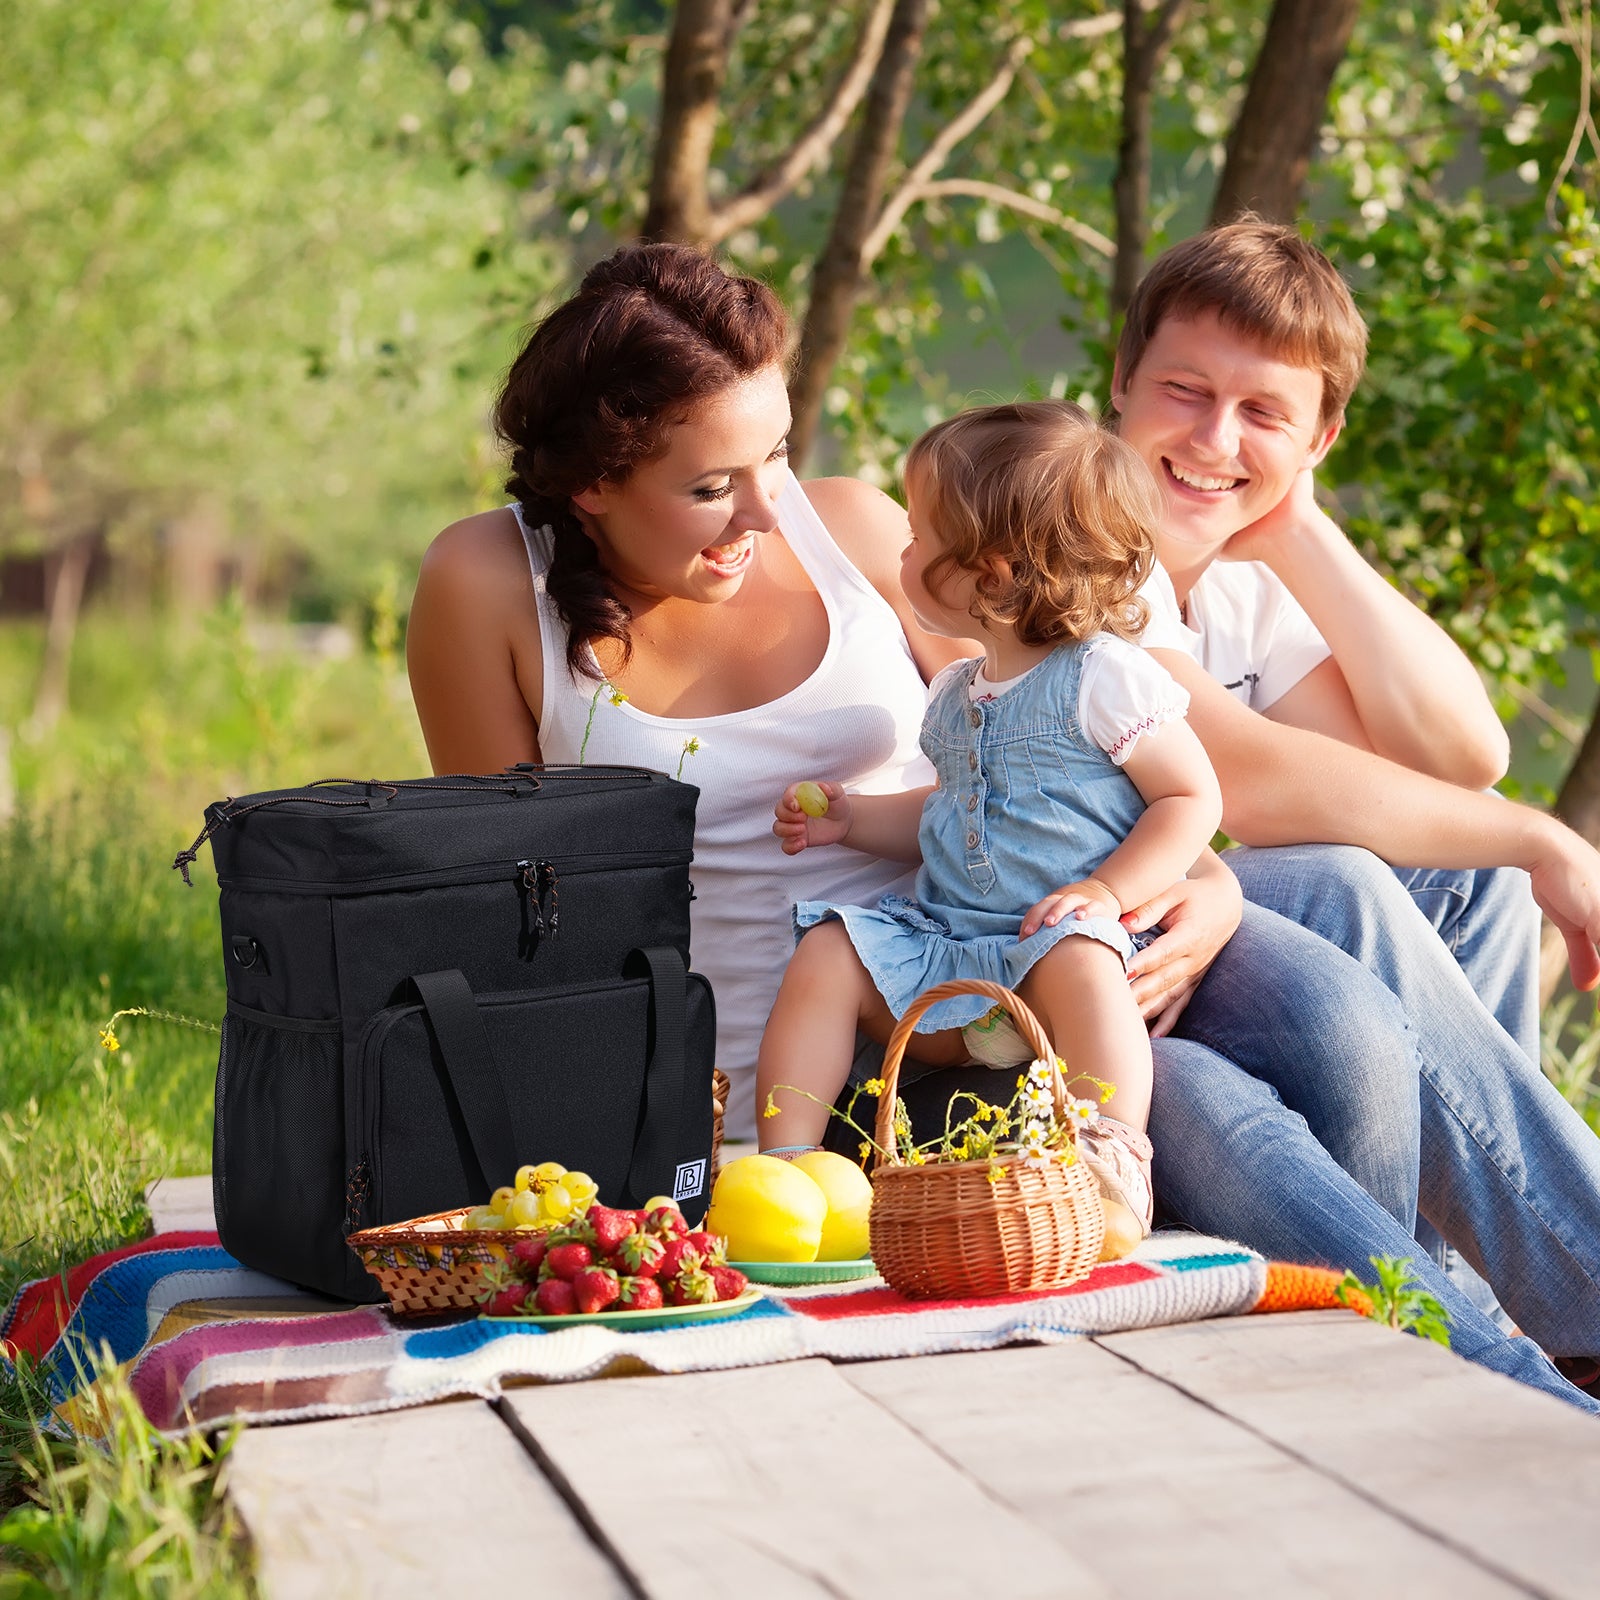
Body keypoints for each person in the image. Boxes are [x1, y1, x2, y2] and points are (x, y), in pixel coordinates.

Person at [405, 240, 1600, 1410]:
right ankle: (1496, 1379)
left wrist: (1221, 883)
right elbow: (522, 922)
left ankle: (1559, 1321)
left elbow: (1094, 738)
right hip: (872, 1043)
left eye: (776, 452)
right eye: (712, 485)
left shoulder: (856, 529)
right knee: (1205, 1101)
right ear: (590, 483)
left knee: (1339, 948)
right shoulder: (487, 584)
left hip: (1032, 923)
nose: (766, 512)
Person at [1105, 219, 1600, 1355]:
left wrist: (1301, 528)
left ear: (1322, 432)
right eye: (1184, 390)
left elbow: (1449, 757)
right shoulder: (1069, 530)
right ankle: (1576, 1283)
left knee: (1464, 875)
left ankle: (1494, 1276)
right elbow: (1249, 780)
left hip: (1206, 949)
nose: (1213, 437)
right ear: (1121, 379)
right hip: (1082, 946)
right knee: (1341, 880)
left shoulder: (1235, 582)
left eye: (1264, 413)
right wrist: (1535, 832)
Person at [756, 401, 1223, 1236]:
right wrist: (853, 820)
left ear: (993, 573)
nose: (899, 551)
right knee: (829, 949)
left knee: (1079, 955)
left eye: (917, 538)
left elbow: (1193, 799)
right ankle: (789, 1173)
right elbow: (948, 817)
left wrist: (1107, 892)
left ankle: (1105, 1153)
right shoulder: (955, 694)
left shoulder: (1103, 678)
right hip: (955, 952)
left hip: (1054, 958)